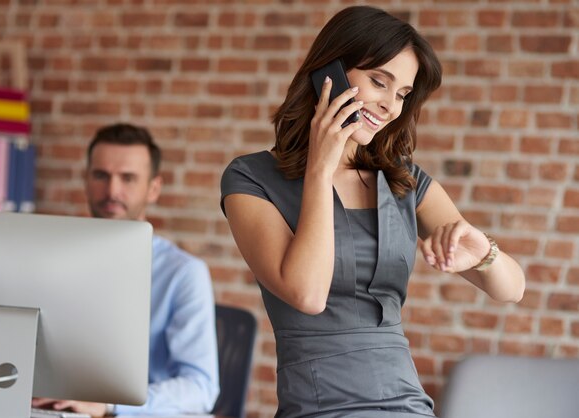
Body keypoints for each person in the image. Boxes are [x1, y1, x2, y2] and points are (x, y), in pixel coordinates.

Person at [220, 6, 525, 418]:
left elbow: (512, 290)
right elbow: (307, 294)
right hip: (319, 405)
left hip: (408, 405)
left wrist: (483, 253)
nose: (390, 106)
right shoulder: (251, 178)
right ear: (329, 73)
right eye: (379, 82)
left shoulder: (403, 181)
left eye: (402, 94)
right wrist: (320, 168)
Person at [34, 123, 219, 416]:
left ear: (154, 188)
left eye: (128, 178)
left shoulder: (184, 273)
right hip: (61, 407)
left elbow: (200, 388)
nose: (112, 190)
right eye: (101, 175)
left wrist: (109, 405)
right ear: (85, 180)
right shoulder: (54, 261)